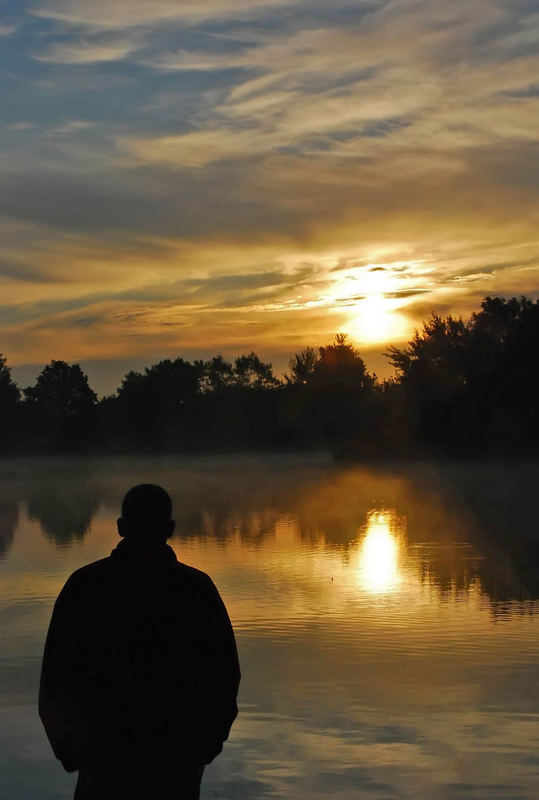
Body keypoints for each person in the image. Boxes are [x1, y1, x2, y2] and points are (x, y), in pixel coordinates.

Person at [39, 483, 240, 799]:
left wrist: (76, 748)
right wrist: (202, 747)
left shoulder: (85, 586)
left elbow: (56, 677)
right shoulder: (196, 589)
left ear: (121, 527)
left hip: (102, 764)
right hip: (175, 764)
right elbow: (223, 677)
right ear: (171, 529)